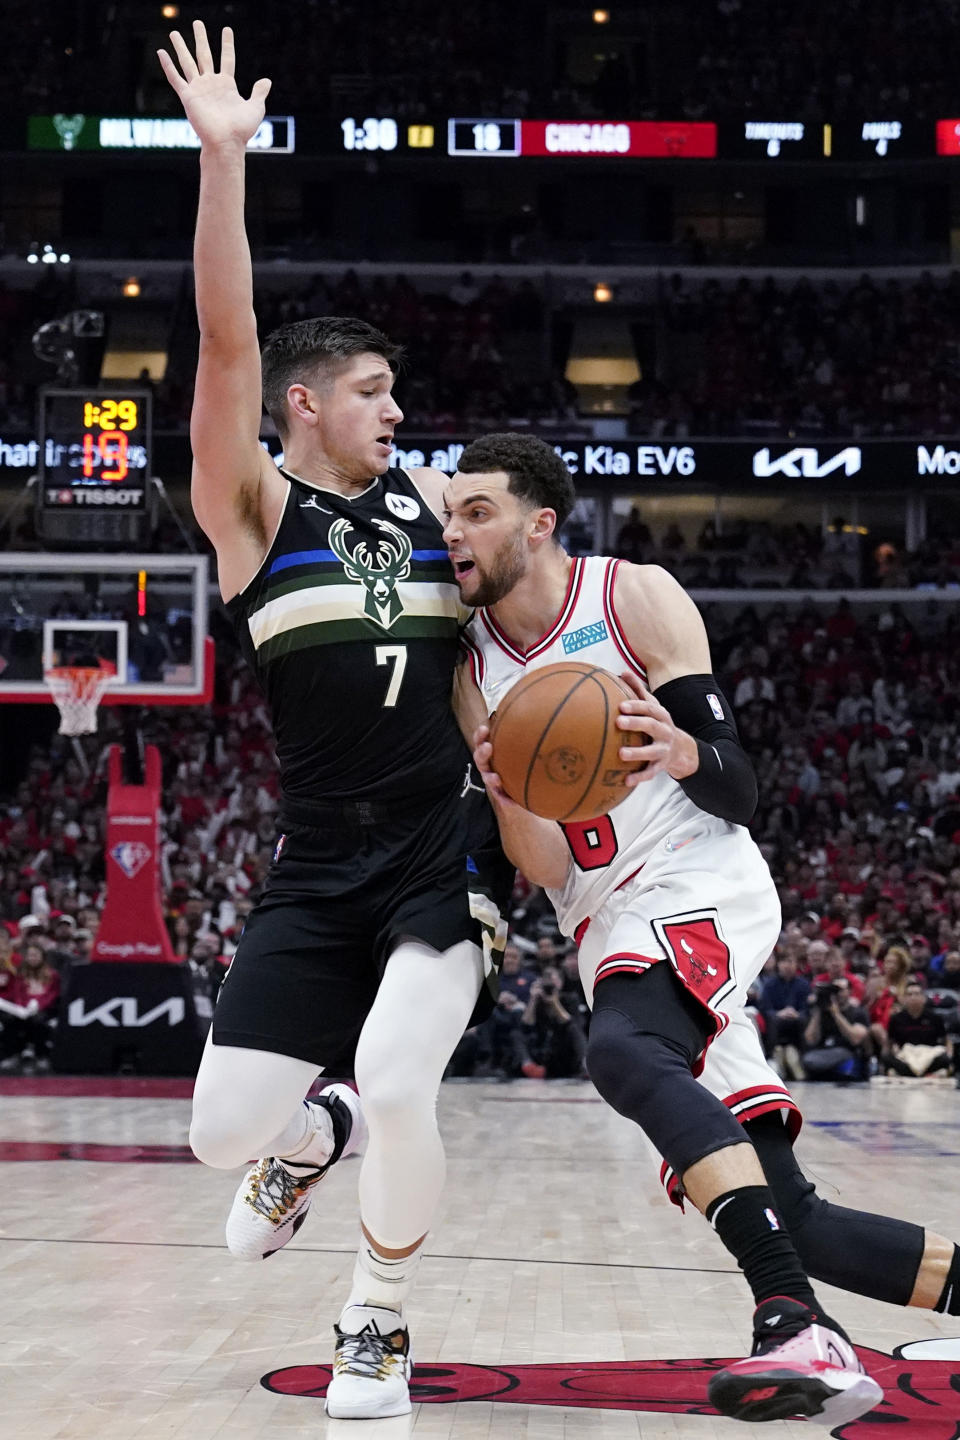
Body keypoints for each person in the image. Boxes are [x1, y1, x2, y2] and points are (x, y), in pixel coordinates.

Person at [445, 431, 960, 1425]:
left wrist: (682, 748)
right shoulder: (470, 668)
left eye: (476, 512)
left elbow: (740, 789)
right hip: (600, 918)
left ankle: (794, 1325)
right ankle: (807, 1290)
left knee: (626, 1052)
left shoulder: (630, 596)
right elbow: (548, 866)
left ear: (540, 523)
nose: (454, 533)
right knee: (792, 1214)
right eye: (449, 515)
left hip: (696, 880)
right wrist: (508, 799)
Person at [158, 24, 511, 1420]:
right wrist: (223, 159)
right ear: (301, 408)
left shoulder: (434, 508)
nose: (398, 410)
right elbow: (228, 334)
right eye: (373, 392)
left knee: (404, 1070)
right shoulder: (252, 510)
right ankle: (314, 1139)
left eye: (398, 395)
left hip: (441, 848)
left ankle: (376, 1316)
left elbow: (530, 581)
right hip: (317, 864)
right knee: (216, 1135)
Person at [801, 975, 871, 1081]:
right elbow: (810, 1039)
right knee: (809, 1059)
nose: (838, 994)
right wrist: (817, 1013)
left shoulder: (858, 1012)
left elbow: (855, 1039)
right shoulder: (822, 1012)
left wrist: (836, 1014)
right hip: (824, 1051)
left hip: (847, 1052)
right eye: (834, 990)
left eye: (841, 990)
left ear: (850, 991)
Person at [885, 978, 953, 1077]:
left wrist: (949, 1054)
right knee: (887, 1059)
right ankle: (920, 1074)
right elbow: (889, 1042)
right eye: (910, 994)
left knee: (944, 1059)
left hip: (929, 1055)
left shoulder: (935, 1018)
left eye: (917, 994)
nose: (913, 997)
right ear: (904, 998)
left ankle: (913, 1074)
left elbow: (946, 1040)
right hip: (906, 1057)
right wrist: (892, 1052)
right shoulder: (896, 1019)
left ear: (923, 998)